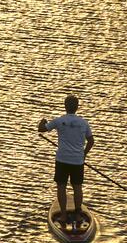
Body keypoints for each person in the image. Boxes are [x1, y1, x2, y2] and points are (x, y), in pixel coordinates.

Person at [38, 95, 94, 226]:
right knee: (77, 187)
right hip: (77, 161)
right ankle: (78, 215)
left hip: (62, 160)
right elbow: (91, 141)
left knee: (61, 186)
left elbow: (42, 129)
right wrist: (83, 154)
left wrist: (42, 121)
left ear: (65, 106)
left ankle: (63, 215)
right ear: (77, 107)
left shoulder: (59, 121)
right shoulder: (84, 123)